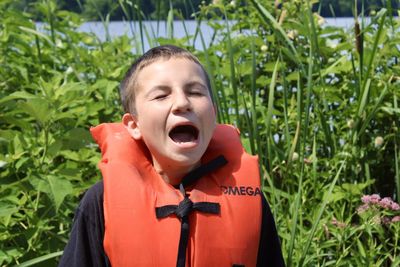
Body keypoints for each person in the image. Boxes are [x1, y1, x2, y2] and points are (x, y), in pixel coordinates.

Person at [59, 45, 285, 267]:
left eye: (195, 92)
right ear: (133, 125)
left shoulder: (248, 199)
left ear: (213, 115)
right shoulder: (101, 201)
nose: (182, 103)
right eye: (161, 96)